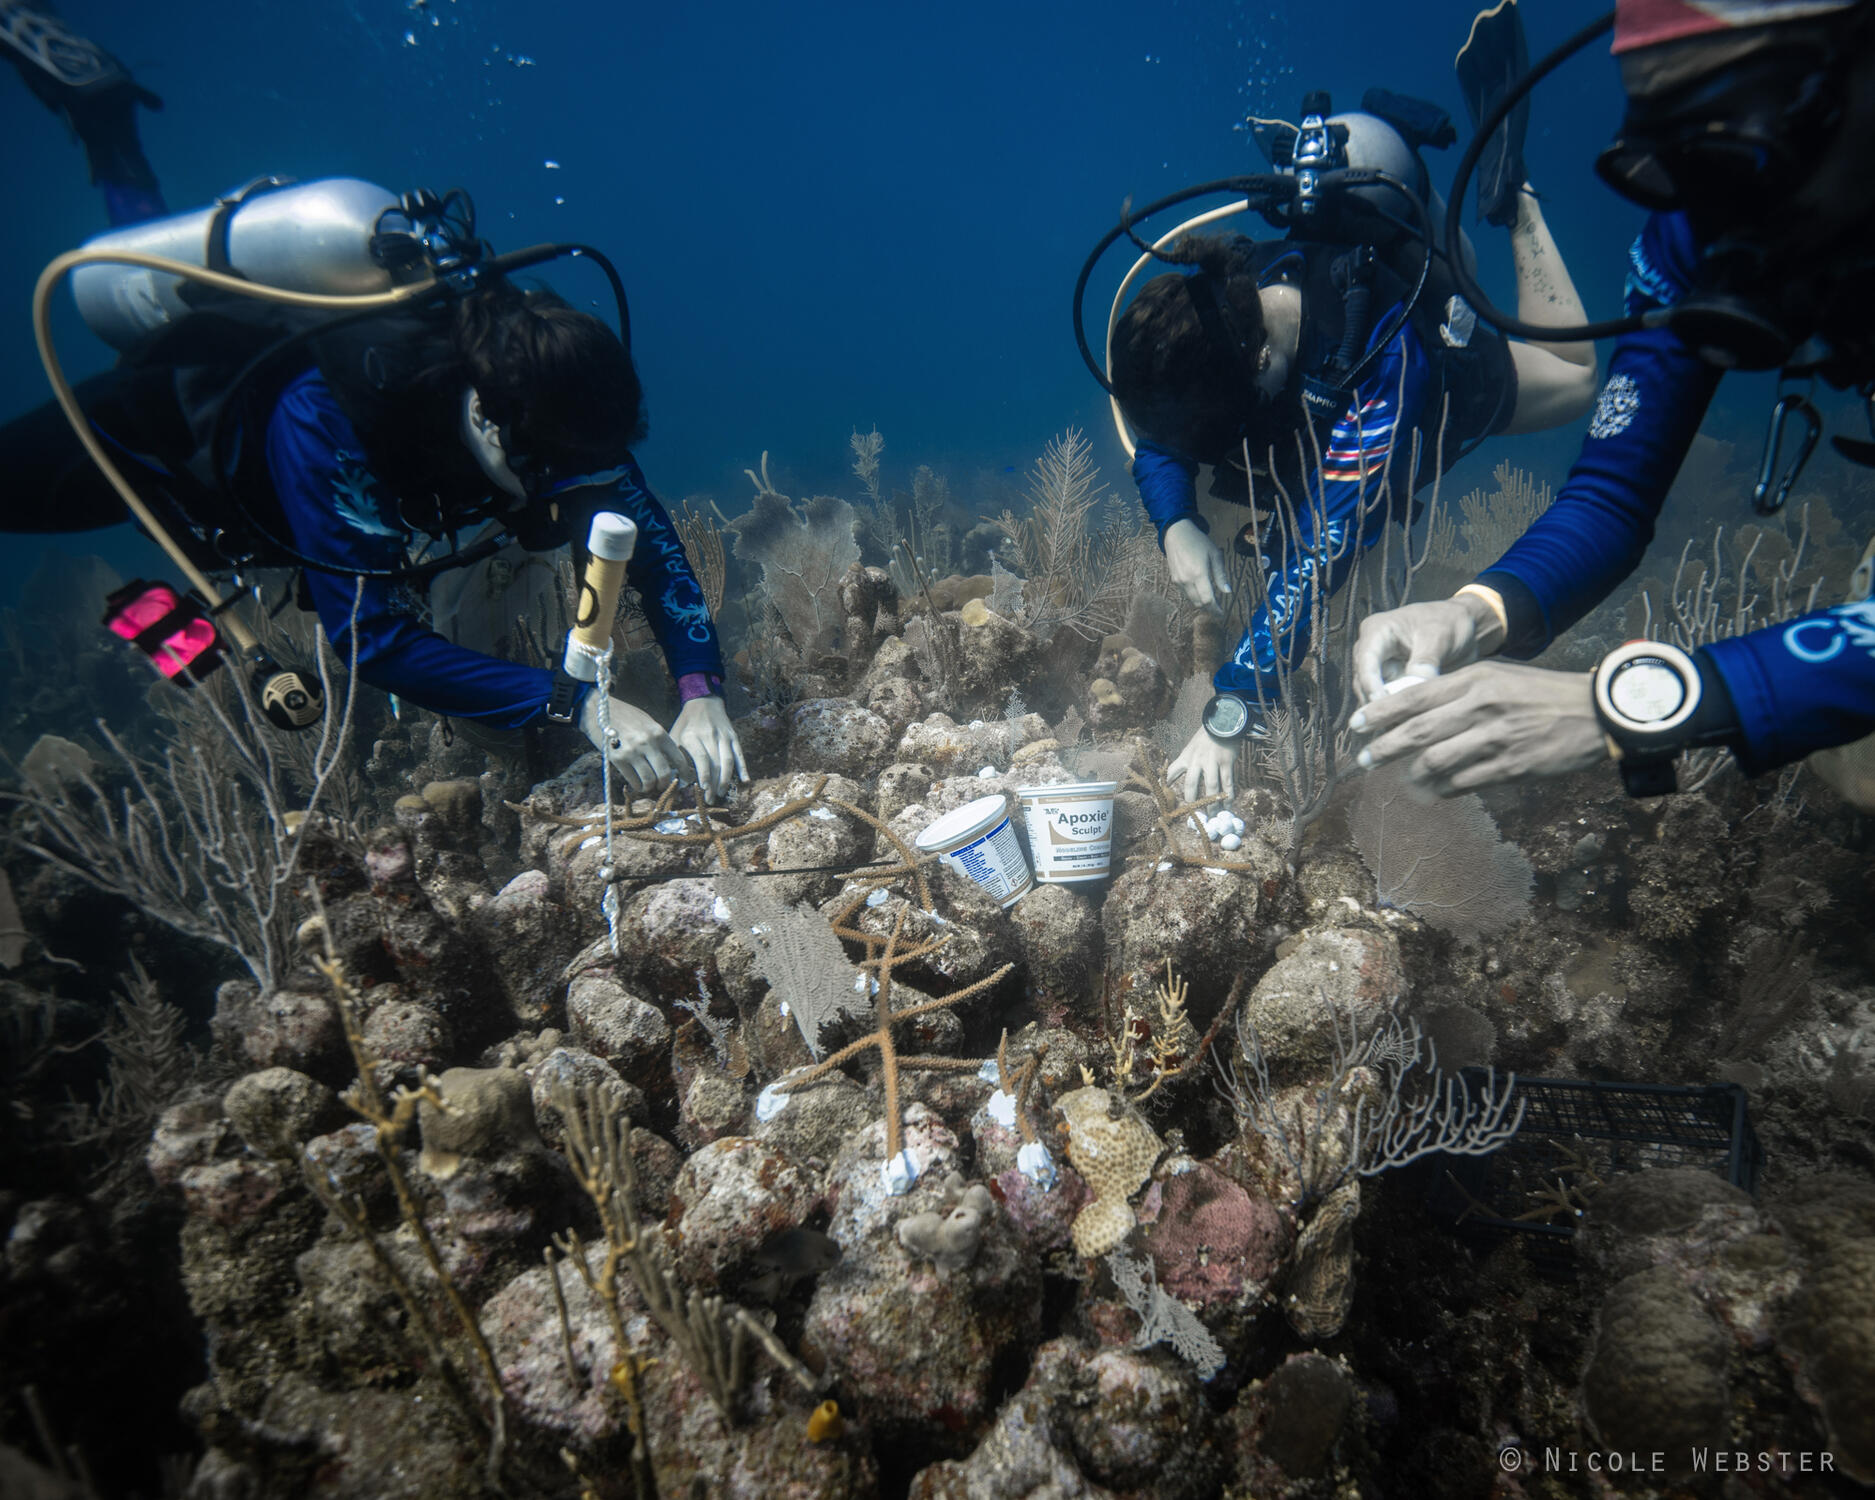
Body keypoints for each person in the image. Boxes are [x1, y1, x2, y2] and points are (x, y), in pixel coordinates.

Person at [1, 4, 746, 802]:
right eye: (546, 467)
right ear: (489, 420)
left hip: (288, 412)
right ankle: (107, 128)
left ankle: (105, 122)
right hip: (158, 434)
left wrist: (701, 689)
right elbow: (372, 637)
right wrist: (574, 704)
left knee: (149, 259)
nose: (566, 485)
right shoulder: (333, 414)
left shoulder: (548, 390)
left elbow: (654, 549)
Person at [1350, 0, 1875, 802]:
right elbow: (1611, 494)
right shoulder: (1690, 234)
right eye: (1671, 158)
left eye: (1735, 147)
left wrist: (1631, 704)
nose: (1715, 220)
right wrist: (1472, 612)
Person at [1108, 0, 1600, 803]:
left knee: (1573, 378)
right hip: (1313, 378)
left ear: (1261, 363)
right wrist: (1176, 521)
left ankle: (1511, 198)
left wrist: (1231, 709)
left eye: (1208, 431)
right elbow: (1157, 427)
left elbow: (1320, 550)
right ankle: (1388, 158)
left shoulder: (1380, 369)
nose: (1198, 446)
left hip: (1440, 379)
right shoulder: (1208, 311)